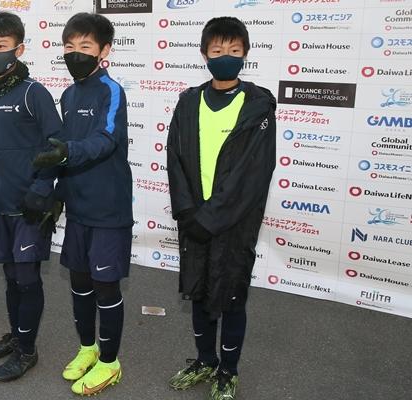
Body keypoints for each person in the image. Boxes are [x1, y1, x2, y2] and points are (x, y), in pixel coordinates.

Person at [166, 17, 276, 400]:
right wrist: (187, 212)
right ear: (204, 55)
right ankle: (204, 360)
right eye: (217, 50)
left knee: (230, 295)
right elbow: (175, 159)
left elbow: (253, 174)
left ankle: (228, 370)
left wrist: (210, 218)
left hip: (233, 224)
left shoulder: (258, 105)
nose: (225, 56)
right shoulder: (188, 102)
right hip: (194, 219)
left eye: (233, 50)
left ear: (245, 54)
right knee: (198, 291)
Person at [32, 12, 132, 396]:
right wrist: (55, 195)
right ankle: (88, 349)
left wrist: (66, 152)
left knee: (106, 287)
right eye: (69, 46)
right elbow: (64, 149)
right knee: (80, 284)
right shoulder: (69, 95)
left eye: (85, 46)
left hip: (108, 209)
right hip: (78, 209)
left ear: (104, 51)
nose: (75, 53)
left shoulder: (111, 91)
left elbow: (106, 139)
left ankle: (110, 362)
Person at [0, 11, 63, 381]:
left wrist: (41, 191)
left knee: (27, 278)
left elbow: (57, 146)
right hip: (0, 206)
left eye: (1, 45)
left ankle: (27, 350)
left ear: (19, 49)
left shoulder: (33, 93)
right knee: (10, 277)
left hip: (29, 208)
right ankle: (17, 336)